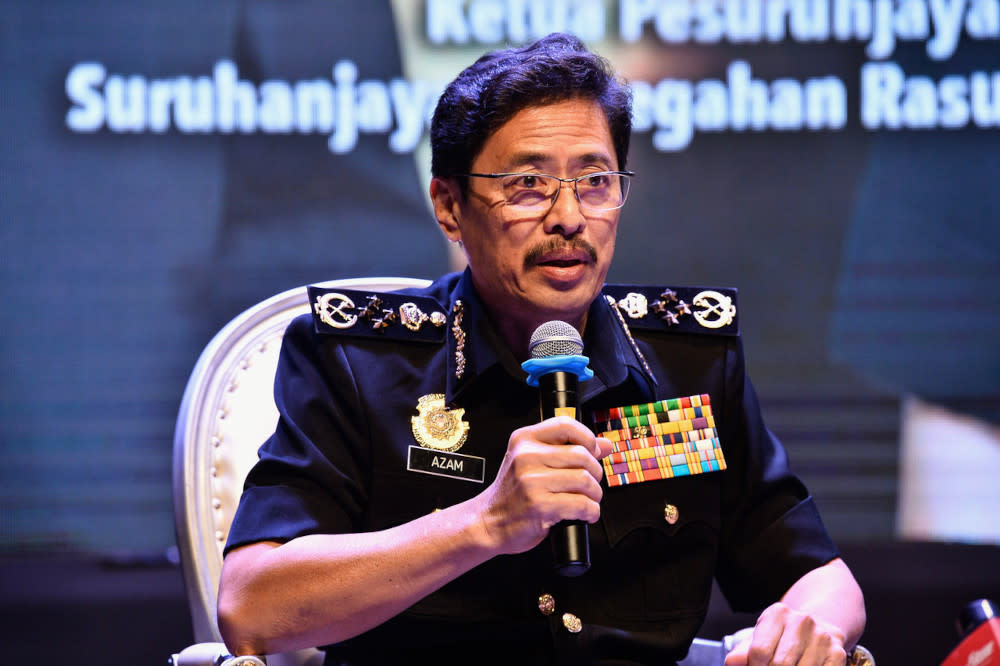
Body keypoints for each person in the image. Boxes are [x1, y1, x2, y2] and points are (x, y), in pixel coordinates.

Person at [217, 33, 866, 665]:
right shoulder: (361, 362)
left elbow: (822, 580)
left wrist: (807, 630)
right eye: (528, 184)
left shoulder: (689, 365)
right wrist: (484, 524)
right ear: (449, 205)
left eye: (595, 181)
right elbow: (251, 607)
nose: (569, 218)